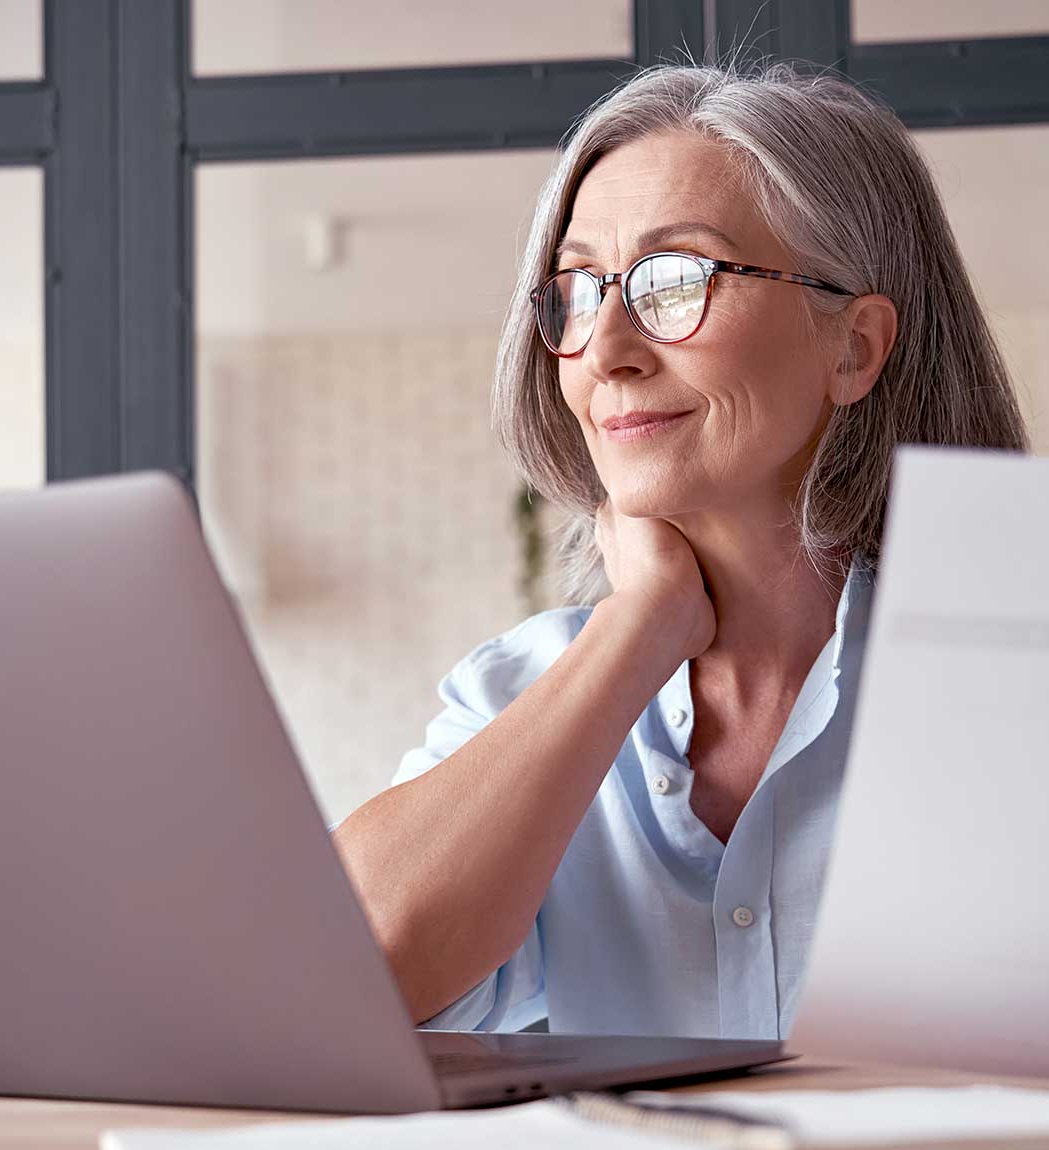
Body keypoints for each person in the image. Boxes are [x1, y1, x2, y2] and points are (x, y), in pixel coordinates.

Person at [331, 59, 1029, 1039]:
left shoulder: (1013, 672)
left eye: (676, 280)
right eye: (576, 289)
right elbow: (343, 977)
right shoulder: (518, 692)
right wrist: (640, 627)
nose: (606, 346)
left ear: (853, 348)